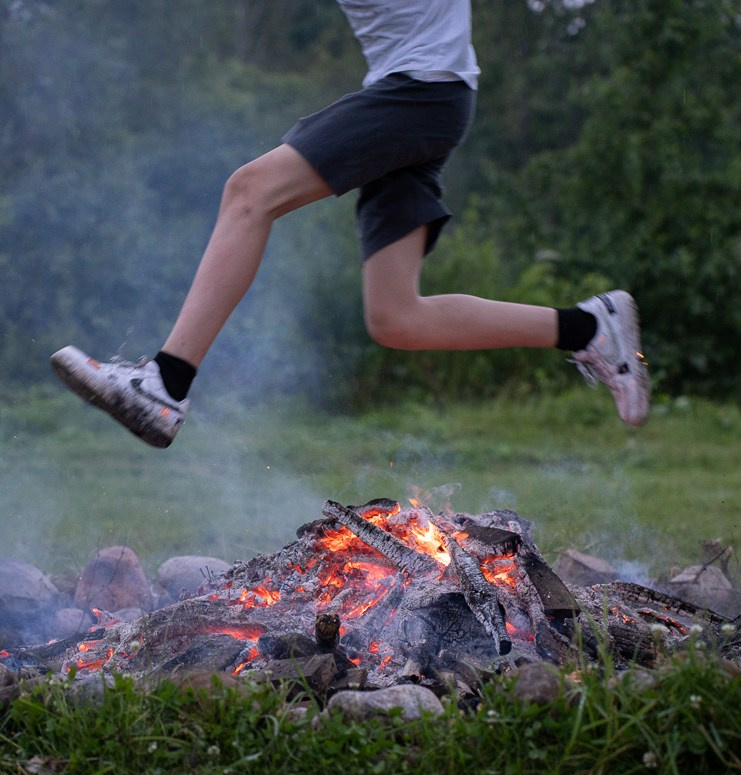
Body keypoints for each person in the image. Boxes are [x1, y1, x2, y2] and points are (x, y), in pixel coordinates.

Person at [51, 0, 648, 448]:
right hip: (422, 94)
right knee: (396, 318)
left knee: (249, 192)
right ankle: (589, 327)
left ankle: (166, 385)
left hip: (423, 94)